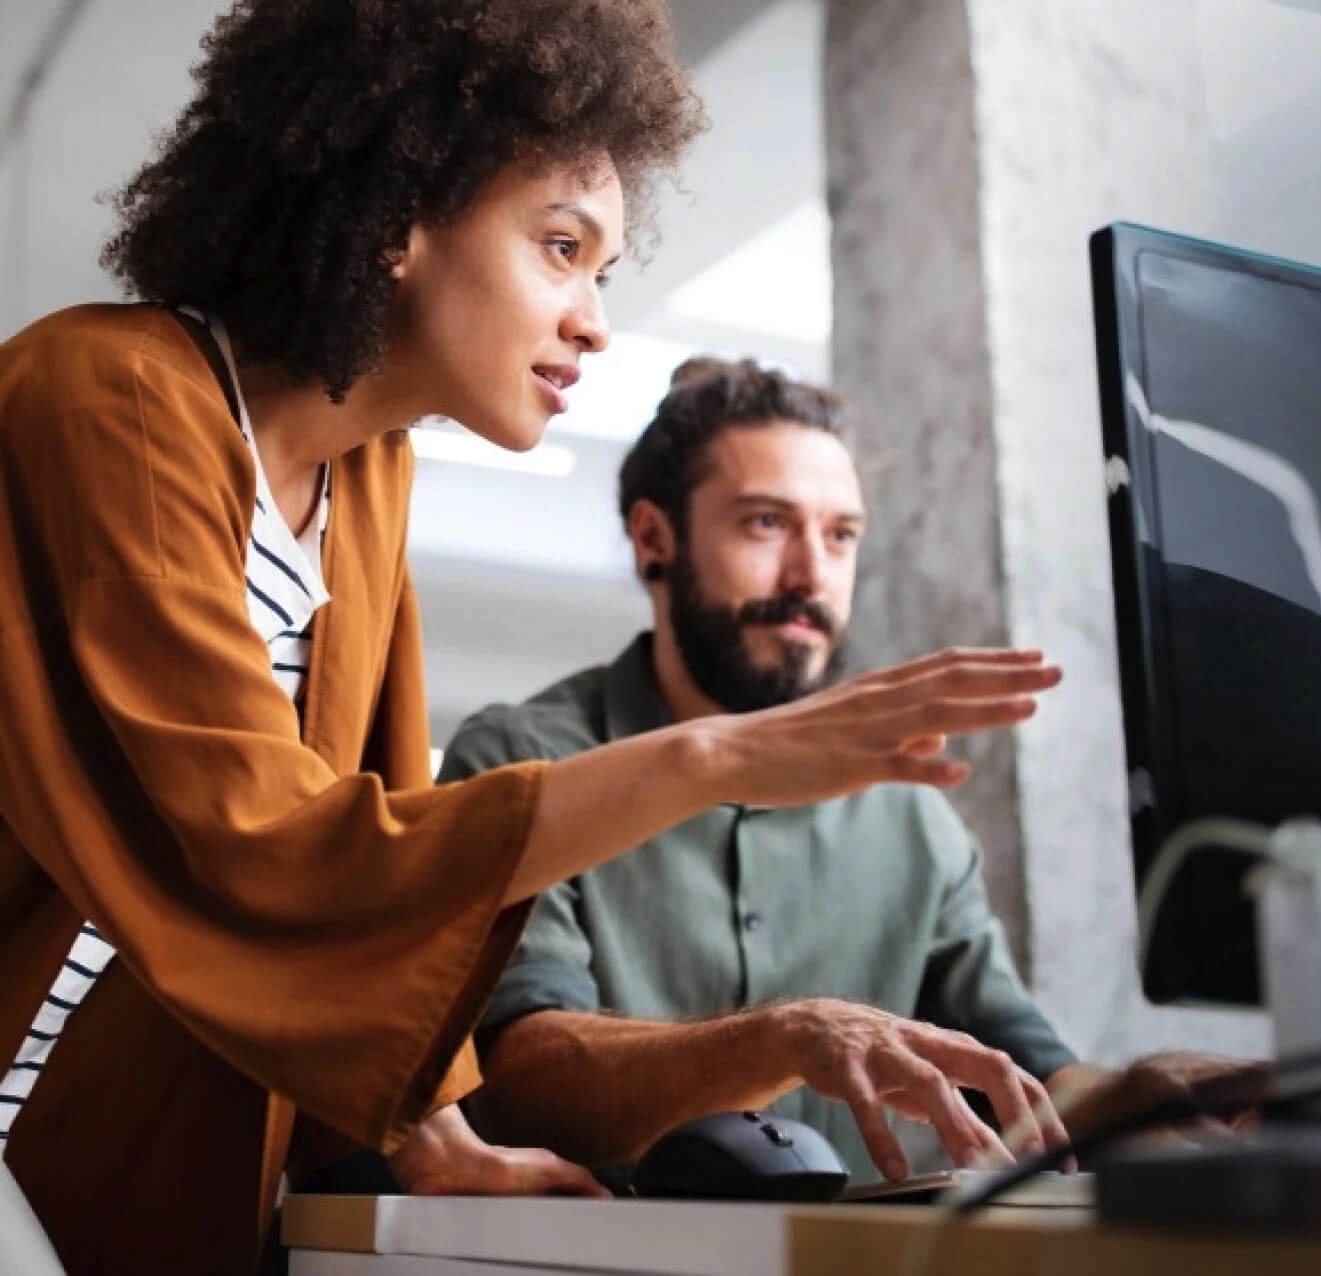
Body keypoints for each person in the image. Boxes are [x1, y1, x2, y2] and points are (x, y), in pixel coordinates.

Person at [0, 5, 1064, 1273]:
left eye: (605, 270)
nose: (594, 321)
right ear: (400, 211)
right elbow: (265, 845)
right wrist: (707, 758)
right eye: (561, 247)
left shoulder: (370, 478)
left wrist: (439, 1139)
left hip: (122, 1139)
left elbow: (379, 830)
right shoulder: (108, 398)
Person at [442, 359, 1255, 1188]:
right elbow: (520, 1084)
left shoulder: (910, 810)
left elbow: (1021, 1065)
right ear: (655, 538)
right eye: (767, 524)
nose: (810, 577)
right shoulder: (522, 761)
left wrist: (1138, 1098)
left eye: (840, 535)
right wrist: (784, 1038)